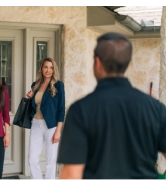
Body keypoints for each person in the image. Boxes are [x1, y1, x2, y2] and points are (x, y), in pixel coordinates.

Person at [57, 32, 166, 180]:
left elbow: (71, 174)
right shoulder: (156, 109)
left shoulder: (80, 110)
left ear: (98, 62)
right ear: (126, 63)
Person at [26, 57, 65, 180]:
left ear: (54, 70)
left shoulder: (59, 85)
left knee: (50, 161)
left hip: (51, 126)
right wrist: (30, 97)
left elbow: (61, 109)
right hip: (36, 124)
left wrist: (58, 131)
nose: (48, 70)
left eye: (51, 67)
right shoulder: (35, 85)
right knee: (32, 159)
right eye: (45, 67)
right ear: (41, 69)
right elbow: (34, 107)